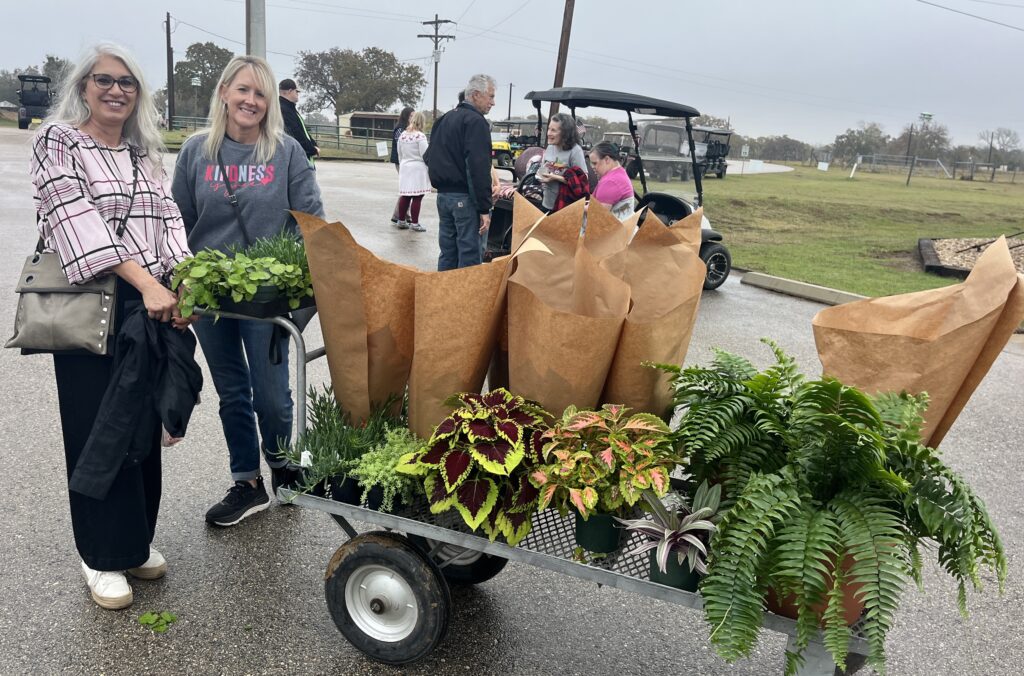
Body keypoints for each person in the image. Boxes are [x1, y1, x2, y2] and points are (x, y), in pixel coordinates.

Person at [30, 43, 197, 610]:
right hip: (94, 300)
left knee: (141, 427)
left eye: (128, 83)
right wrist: (148, 284)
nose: (116, 90)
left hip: (148, 303)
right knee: (97, 426)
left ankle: (132, 542)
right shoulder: (59, 141)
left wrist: (184, 284)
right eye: (105, 80)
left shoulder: (141, 154)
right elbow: (75, 219)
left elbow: (171, 226)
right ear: (84, 87)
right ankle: (99, 555)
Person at [172, 55, 325, 527]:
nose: (251, 101)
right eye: (242, 90)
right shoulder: (197, 151)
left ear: (269, 102)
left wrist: (291, 280)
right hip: (213, 297)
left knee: (272, 394)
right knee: (233, 392)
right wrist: (181, 281)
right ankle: (247, 482)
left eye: (259, 93)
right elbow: (175, 221)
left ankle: (281, 464)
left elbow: (310, 220)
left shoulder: (286, 153)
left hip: (267, 300)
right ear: (224, 93)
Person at [425, 74, 496, 270]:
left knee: (448, 252)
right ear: (475, 95)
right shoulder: (476, 122)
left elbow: (428, 156)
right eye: (490, 96)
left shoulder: (444, 119)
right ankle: (465, 299)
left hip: (444, 197)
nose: (493, 102)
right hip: (465, 199)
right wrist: (484, 208)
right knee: (469, 254)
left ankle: (443, 295)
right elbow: (478, 168)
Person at [536, 112, 587, 212]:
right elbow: (544, 169)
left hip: (564, 207)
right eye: (549, 129)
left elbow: (583, 180)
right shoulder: (550, 147)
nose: (549, 133)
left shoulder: (575, 151)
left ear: (565, 133)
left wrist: (555, 178)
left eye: (553, 130)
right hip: (547, 203)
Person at [395, 110, 430, 232]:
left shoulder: (403, 135)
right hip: (417, 168)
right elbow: (425, 155)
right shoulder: (420, 136)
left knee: (405, 195)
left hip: (405, 166)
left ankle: (401, 220)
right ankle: (415, 223)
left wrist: (403, 163)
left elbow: (400, 153)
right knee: (417, 196)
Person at [590, 141, 635, 220]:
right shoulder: (619, 174)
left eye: (595, 163)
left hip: (613, 230)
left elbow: (598, 214)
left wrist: (579, 208)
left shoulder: (611, 182)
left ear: (607, 159)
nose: (592, 167)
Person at [278, 78, 318, 163]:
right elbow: (296, 133)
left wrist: (313, 144)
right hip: (296, 160)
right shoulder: (284, 110)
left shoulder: (290, 108)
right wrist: (312, 149)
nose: (298, 94)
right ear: (290, 91)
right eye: (297, 91)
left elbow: (302, 130)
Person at [390, 106, 414, 226]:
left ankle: (405, 215)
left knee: (408, 188)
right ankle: (398, 215)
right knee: (406, 189)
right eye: (411, 116)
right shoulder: (400, 129)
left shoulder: (407, 128)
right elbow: (403, 144)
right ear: (406, 116)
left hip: (406, 161)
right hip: (401, 161)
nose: (412, 118)